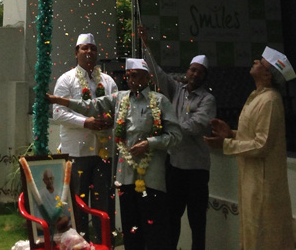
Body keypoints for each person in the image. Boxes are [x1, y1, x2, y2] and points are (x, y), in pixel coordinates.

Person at [49, 58, 183, 250]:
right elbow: (90, 105)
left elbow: (176, 135)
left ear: (146, 77)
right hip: (125, 177)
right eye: (128, 76)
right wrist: (59, 100)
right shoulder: (120, 98)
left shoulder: (160, 102)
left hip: (151, 179)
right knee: (131, 230)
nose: (130, 79)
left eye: (134, 75)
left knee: (154, 232)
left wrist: (150, 143)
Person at [204, 47, 296, 250]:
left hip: (264, 183)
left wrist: (225, 144)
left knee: (265, 236)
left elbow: (262, 145)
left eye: (261, 62)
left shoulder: (269, 101)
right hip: (252, 179)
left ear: (268, 75)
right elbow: (254, 136)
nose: (255, 62)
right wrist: (231, 134)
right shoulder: (257, 96)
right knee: (253, 234)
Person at [138, 26, 216, 250]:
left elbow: (196, 126)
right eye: (192, 70)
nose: (195, 74)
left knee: (197, 222)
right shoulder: (177, 89)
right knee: (171, 218)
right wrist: (145, 44)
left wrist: (168, 127)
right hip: (175, 167)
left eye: (200, 72)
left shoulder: (208, 99)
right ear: (187, 70)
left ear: (204, 77)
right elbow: (156, 72)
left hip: (197, 171)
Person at [52, 33, 118, 243]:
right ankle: (78, 245)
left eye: (93, 48)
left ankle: (103, 245)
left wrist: (111, 121)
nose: (89, 52)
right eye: (84, 48)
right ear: (76, 52)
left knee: (102, 205)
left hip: (103, 152)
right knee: (77, 205)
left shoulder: (108, 81)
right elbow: (58, 113)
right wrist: (85, 122)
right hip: (77, 153)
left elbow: (118, 109)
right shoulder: (66, 79)